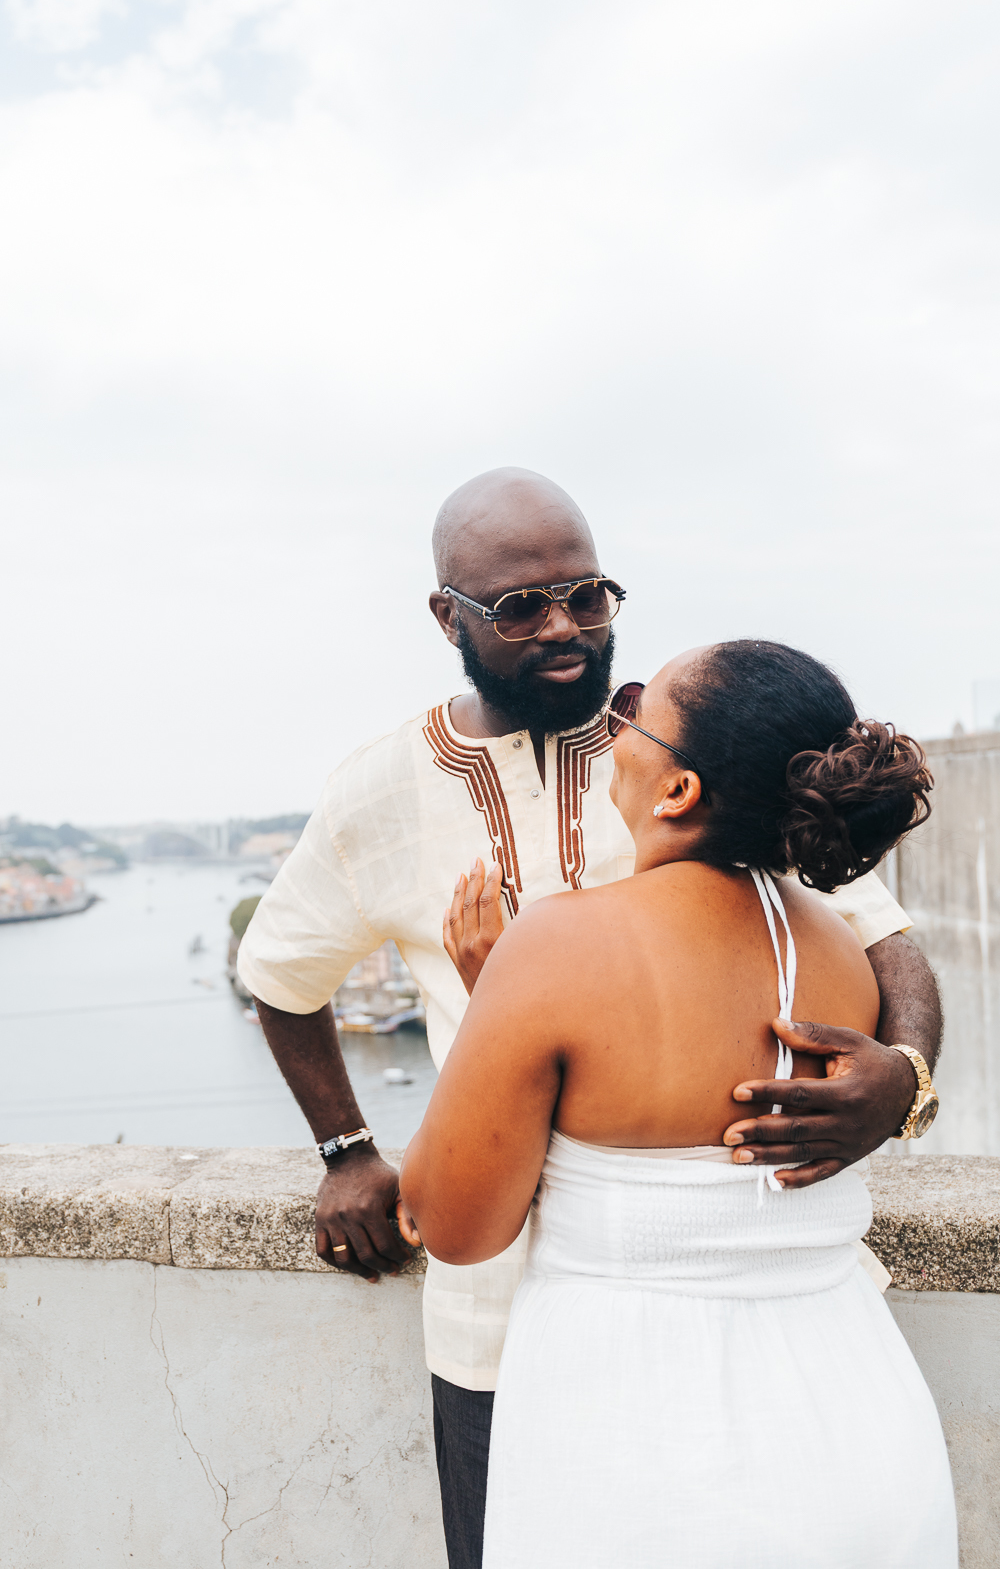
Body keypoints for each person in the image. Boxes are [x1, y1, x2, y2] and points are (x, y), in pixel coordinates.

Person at [237, 469, 943, 1569]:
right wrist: (344, 1148)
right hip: (565, 1344)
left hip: (626, 1372)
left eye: (590, 595)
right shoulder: (381, 789)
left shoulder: (690, 757)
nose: (566, 627)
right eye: (521, 605)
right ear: (449, 617)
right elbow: (279, 973)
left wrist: (904, 1078)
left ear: (672, 786)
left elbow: (897, 952)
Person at [400, 641, 956, 1568]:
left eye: (633, 715)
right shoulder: (834, 946)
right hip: (860, 1422)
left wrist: (489, 999)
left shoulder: (556, 947)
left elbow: (451, 1222)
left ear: (678, 791)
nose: (612, 732)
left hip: (639, 1448)